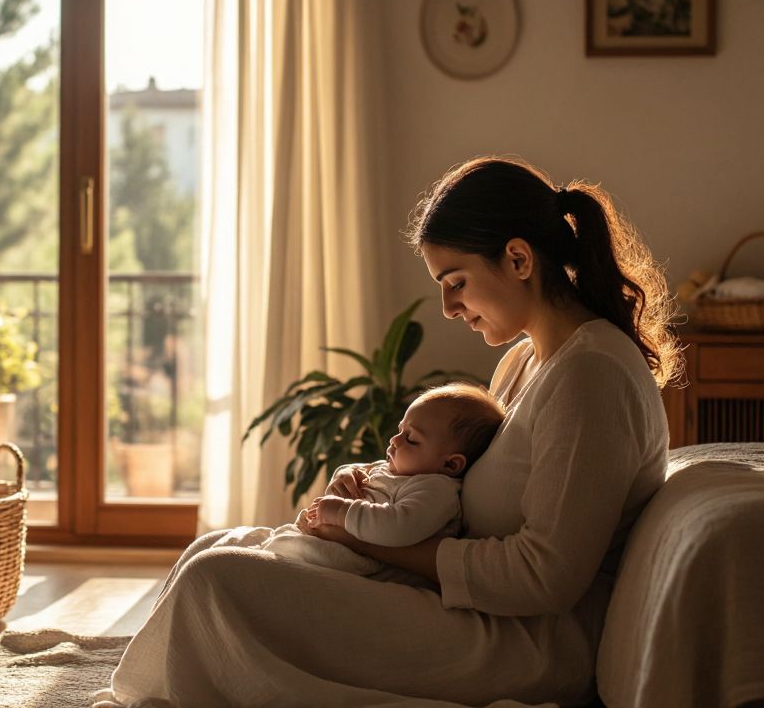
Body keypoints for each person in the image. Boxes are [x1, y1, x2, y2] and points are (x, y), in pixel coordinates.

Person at [96, 155, 681, 708]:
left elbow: (543, 579)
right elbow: (455, 482)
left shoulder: (591, 376)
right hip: (472, 605)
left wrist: (363, 540)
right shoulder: (528, 359)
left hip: (529, 641)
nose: (449, 307)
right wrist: (378, 490)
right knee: (218, 549)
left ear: (519, 259)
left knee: (215, 582)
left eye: (456, 281)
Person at [259, 383, 504, 580]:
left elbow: (399, 526)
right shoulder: (400, 469)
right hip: (338, 546)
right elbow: (365, 470)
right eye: (399, 430)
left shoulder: (435, 489)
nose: (394, 441)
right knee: (272, 545)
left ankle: (268, 563)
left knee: (283, 555)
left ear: (450, 465)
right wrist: (345, 474)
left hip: (369, 567)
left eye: (411, 439)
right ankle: (268, 556)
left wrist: (341, 512)